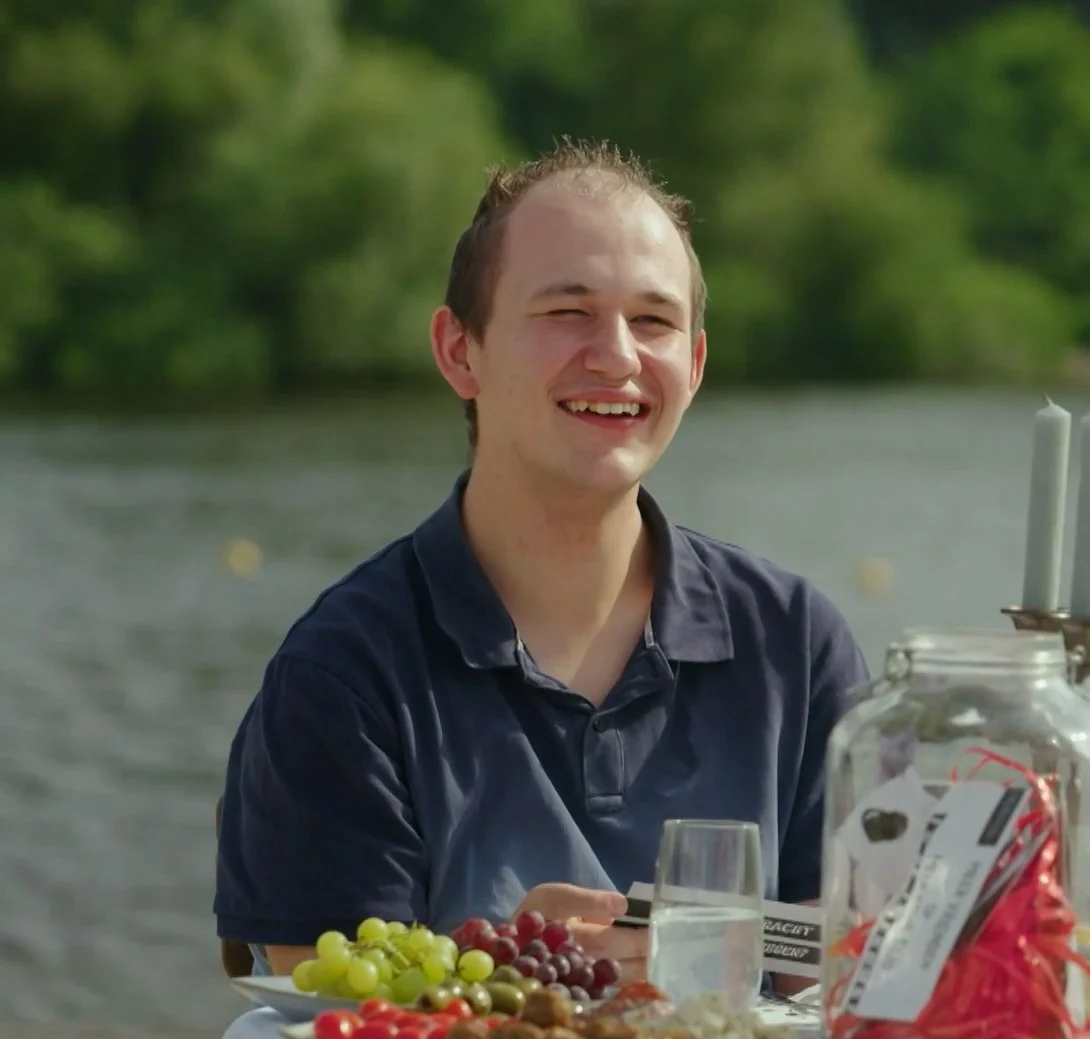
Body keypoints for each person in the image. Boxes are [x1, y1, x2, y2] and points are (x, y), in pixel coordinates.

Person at [213, 140, 869, 980]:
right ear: (460, 352)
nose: (619, 355)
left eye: (655, 321)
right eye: (568, 311)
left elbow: (862, 953)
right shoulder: (342, 674)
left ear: (695, 366)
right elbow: (328, 1012)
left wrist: (728, 947)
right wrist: (512, 969)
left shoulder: (797, 641)